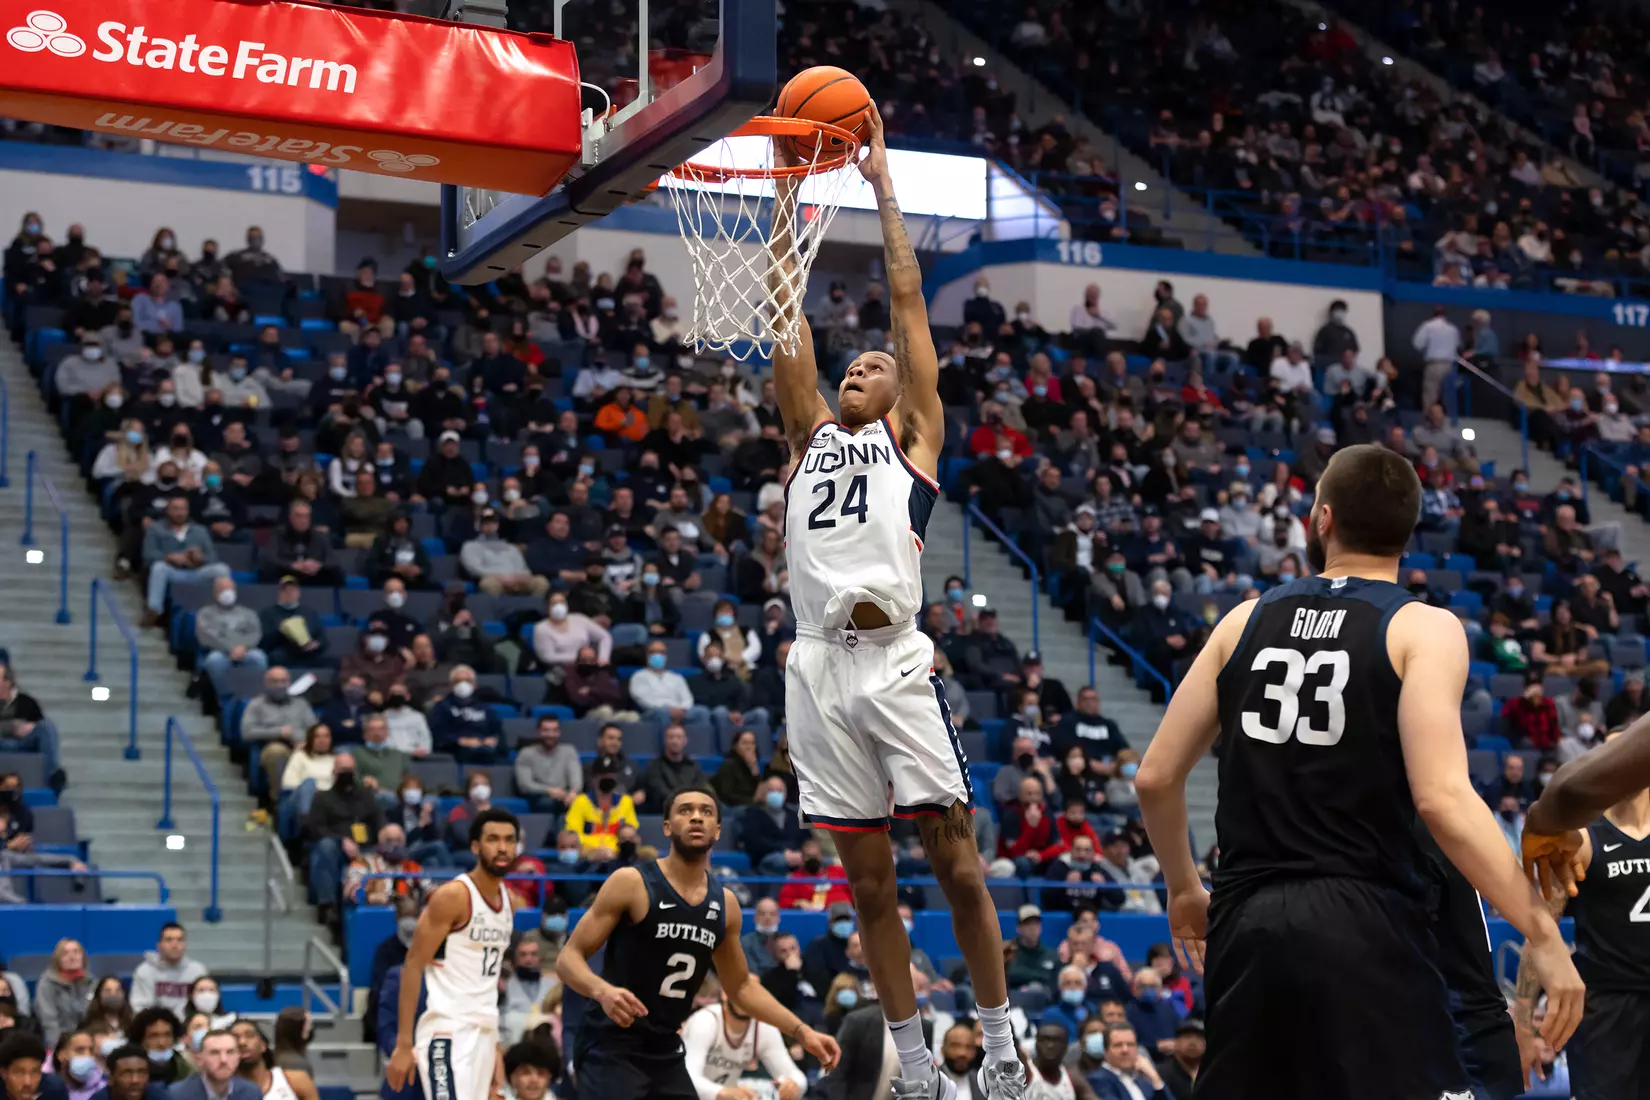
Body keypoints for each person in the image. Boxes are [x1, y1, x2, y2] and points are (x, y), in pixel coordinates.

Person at [1134, 444, 1583, 1099]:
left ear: (1321, 519)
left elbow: (1155, 777)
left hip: (1247, 922)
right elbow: (1442, 800)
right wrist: (1540, 931)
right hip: (1367, 922)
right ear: (1408, 531)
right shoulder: (1423, 629)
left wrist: (1182, 889)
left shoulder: (1243, 621)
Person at [768, 103, 1020, 1100]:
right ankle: (913, 1060)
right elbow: (782, 306)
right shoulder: (808, 439)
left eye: (878, 362)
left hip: (895, 658)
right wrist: (789, 193)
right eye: (855, 362)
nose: (864, 362)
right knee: (868, 881)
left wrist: (879, 188)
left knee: (956, 862)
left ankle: (999, 1042)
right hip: (817, 664)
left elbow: (908, 301)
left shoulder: (911, 437)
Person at [554, 787, 839, 1100]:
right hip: (611, 1045)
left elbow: (741, 987)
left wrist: (801, 1031)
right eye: (685, 810)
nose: (696, 818)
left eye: (706, 812)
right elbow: (568, 959)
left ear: (717, 830)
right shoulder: (631, 883)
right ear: (666, 826)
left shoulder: (725, 904)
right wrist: (602, 991)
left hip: (665, 1048)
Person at [1514, 729, 1650, 1099]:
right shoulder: (1581, 841)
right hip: (1605, 1010)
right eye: (1611, 757)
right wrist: (1523, 1022)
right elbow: (1538, 934)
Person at [385, 809, 521, 1100]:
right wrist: (404, 1043)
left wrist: (494, 1045)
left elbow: (486, 982)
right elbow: (413, 964)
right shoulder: (454, 896)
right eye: (493, 839)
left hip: (484, 1031)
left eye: (509, 840)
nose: (502, 847)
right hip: (447, 1030)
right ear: (475, 846)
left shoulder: (510, 901)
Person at [680, 984, 809, 1100]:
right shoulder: (705, 1021)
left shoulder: (763, 1027)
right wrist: (721, 1092)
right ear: (725, 993)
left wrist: (794, 1085)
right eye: (743, 991)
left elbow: (795, 1074)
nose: (748, 998)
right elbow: (687, 1077)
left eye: (753, 993)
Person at [230, 1020, 319, 1100]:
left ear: (263, 1045)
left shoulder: (295, 1080)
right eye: (235, 1037)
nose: (242, 1042)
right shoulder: (221, 1090)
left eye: (249, 1035)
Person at [129, 925, 206, 1017]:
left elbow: (204, 1007)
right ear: (159, 945)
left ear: (185, 945)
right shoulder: (144, 971)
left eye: (180, 940)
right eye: (169, 940)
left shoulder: (197, 971)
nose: (175, 945)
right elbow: (139, 1008)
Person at [166, 1031, 258, 1100]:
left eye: (230, 1052)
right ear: (199, 1059)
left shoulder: (251, 1093)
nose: (223, 1060)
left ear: (238, 1057)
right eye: (215, 1053)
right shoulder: (175, 1095)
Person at [1022, 1023, 1099, 1100]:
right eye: (1044, 1040)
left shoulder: (1072, 1077)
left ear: (1066, 1046)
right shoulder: (1024, 1071)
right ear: (1036, 1044)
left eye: (1057, 1041)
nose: (1050, 1045)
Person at [1087, 1026, 1164, 1100]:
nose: (1125, 1050)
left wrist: (1155, 1078)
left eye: (1130, 1044)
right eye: (1118, 1045)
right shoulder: (1098, 1079)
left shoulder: (1143, 1076)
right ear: (1106, 1051)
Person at [0, 1033, 68, 1100]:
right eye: (19, 1073)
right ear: (3, 1073)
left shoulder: (54, 1089)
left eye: (35, 1072)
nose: (28, 1082)